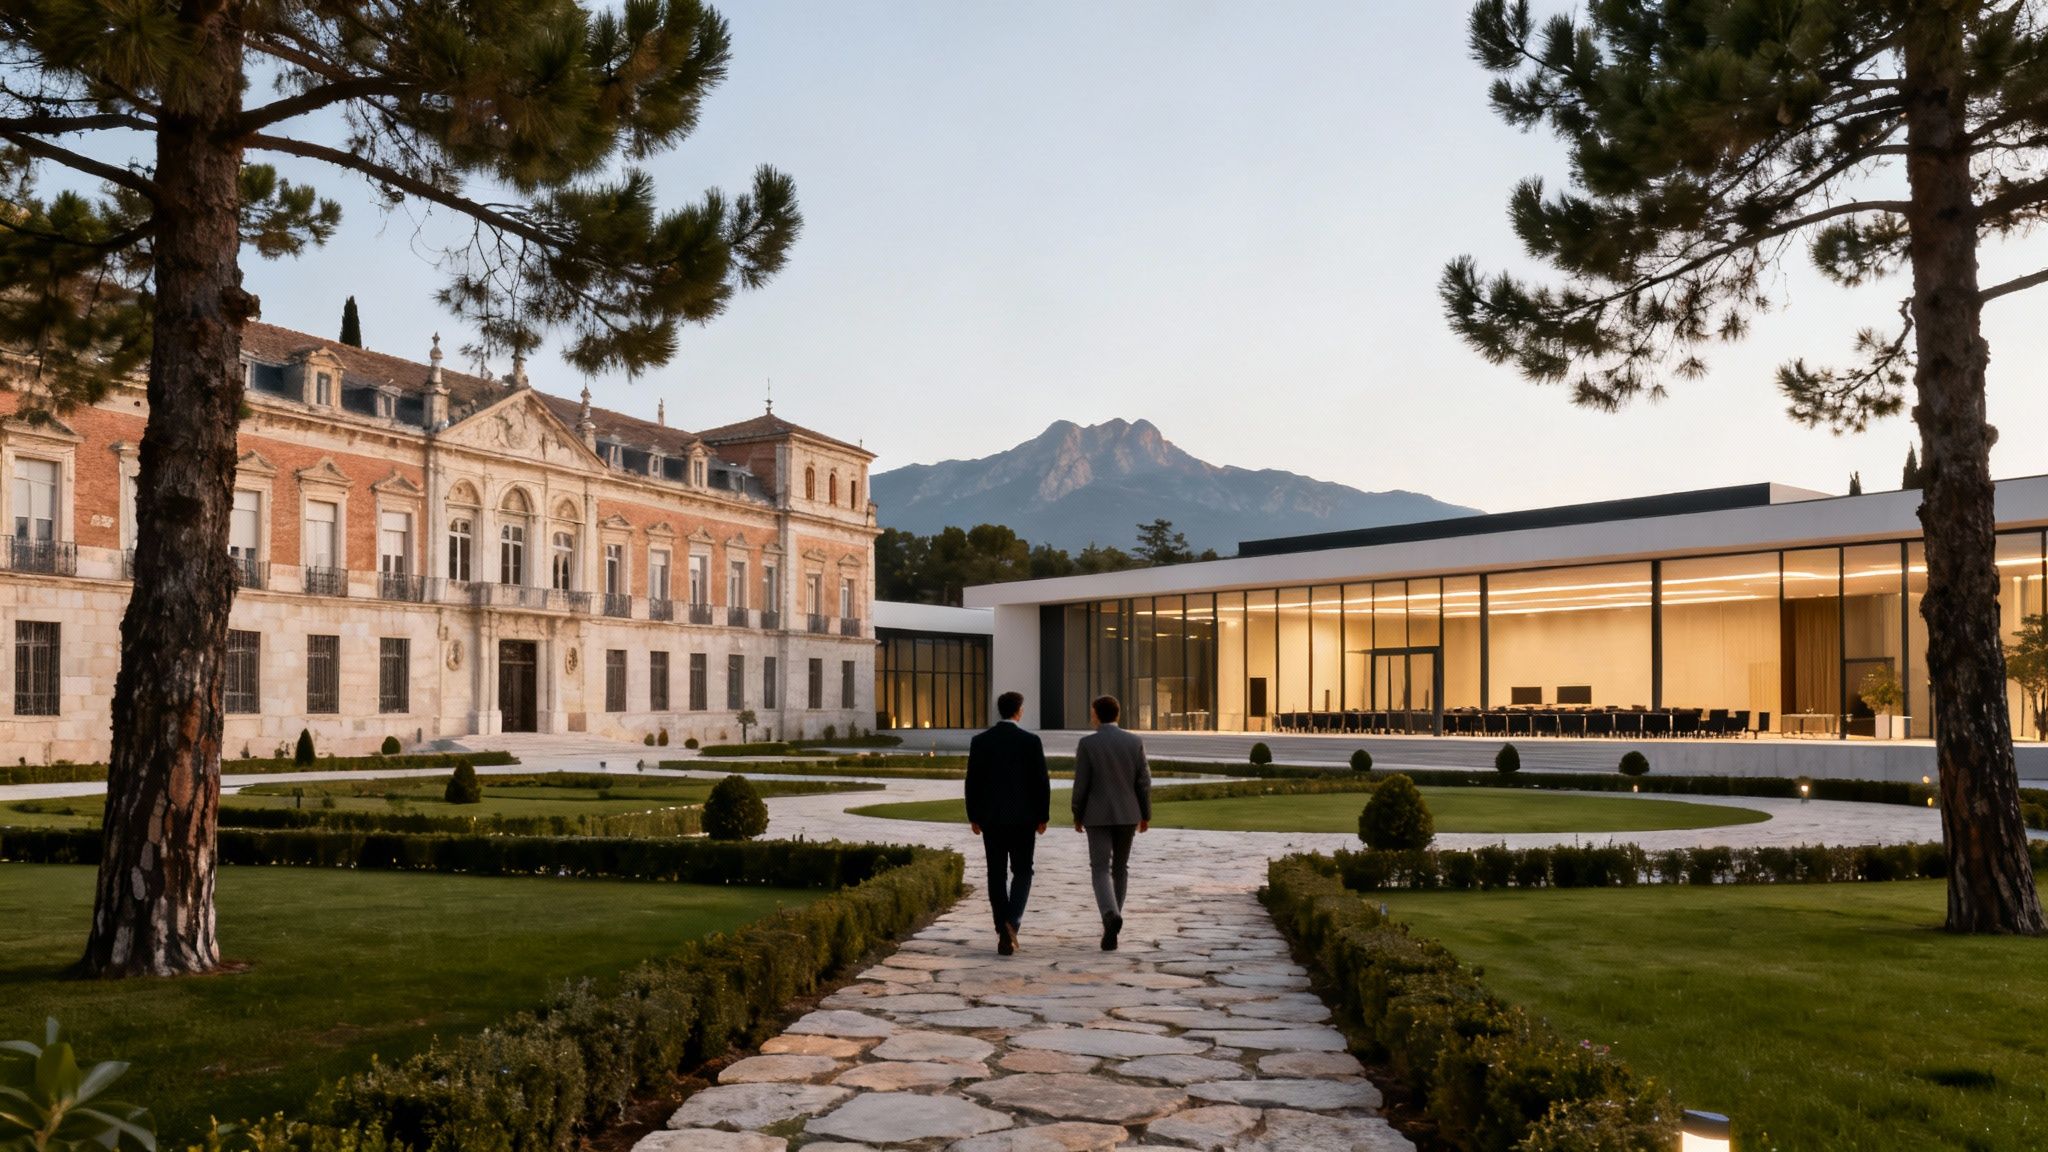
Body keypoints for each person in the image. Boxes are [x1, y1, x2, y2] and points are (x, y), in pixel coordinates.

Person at [964, 690, 1049, 956]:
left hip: (992, 818)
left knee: (996, 873)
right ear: (1019, 711)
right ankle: (1012, 921)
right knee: (1023, 871)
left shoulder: (981, 741)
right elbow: (1041, 782)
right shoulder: (1030, 741)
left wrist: (973, 815)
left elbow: (972, 781)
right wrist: (1042, 815)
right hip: (1023, 819)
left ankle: (1002, 927)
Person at [1070, 694, 1150, 951]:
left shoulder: (1087, 744)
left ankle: (1109, 915)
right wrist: (1145, 813)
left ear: (1096, 714)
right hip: (1128, 813)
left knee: (1100, 868)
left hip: (1097, 814)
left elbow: (1081, 784)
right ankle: (1111, 924)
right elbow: (1143, 781)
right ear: (1118, 714)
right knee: (1120, 868)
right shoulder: (1134, 741)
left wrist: (1077, 813)